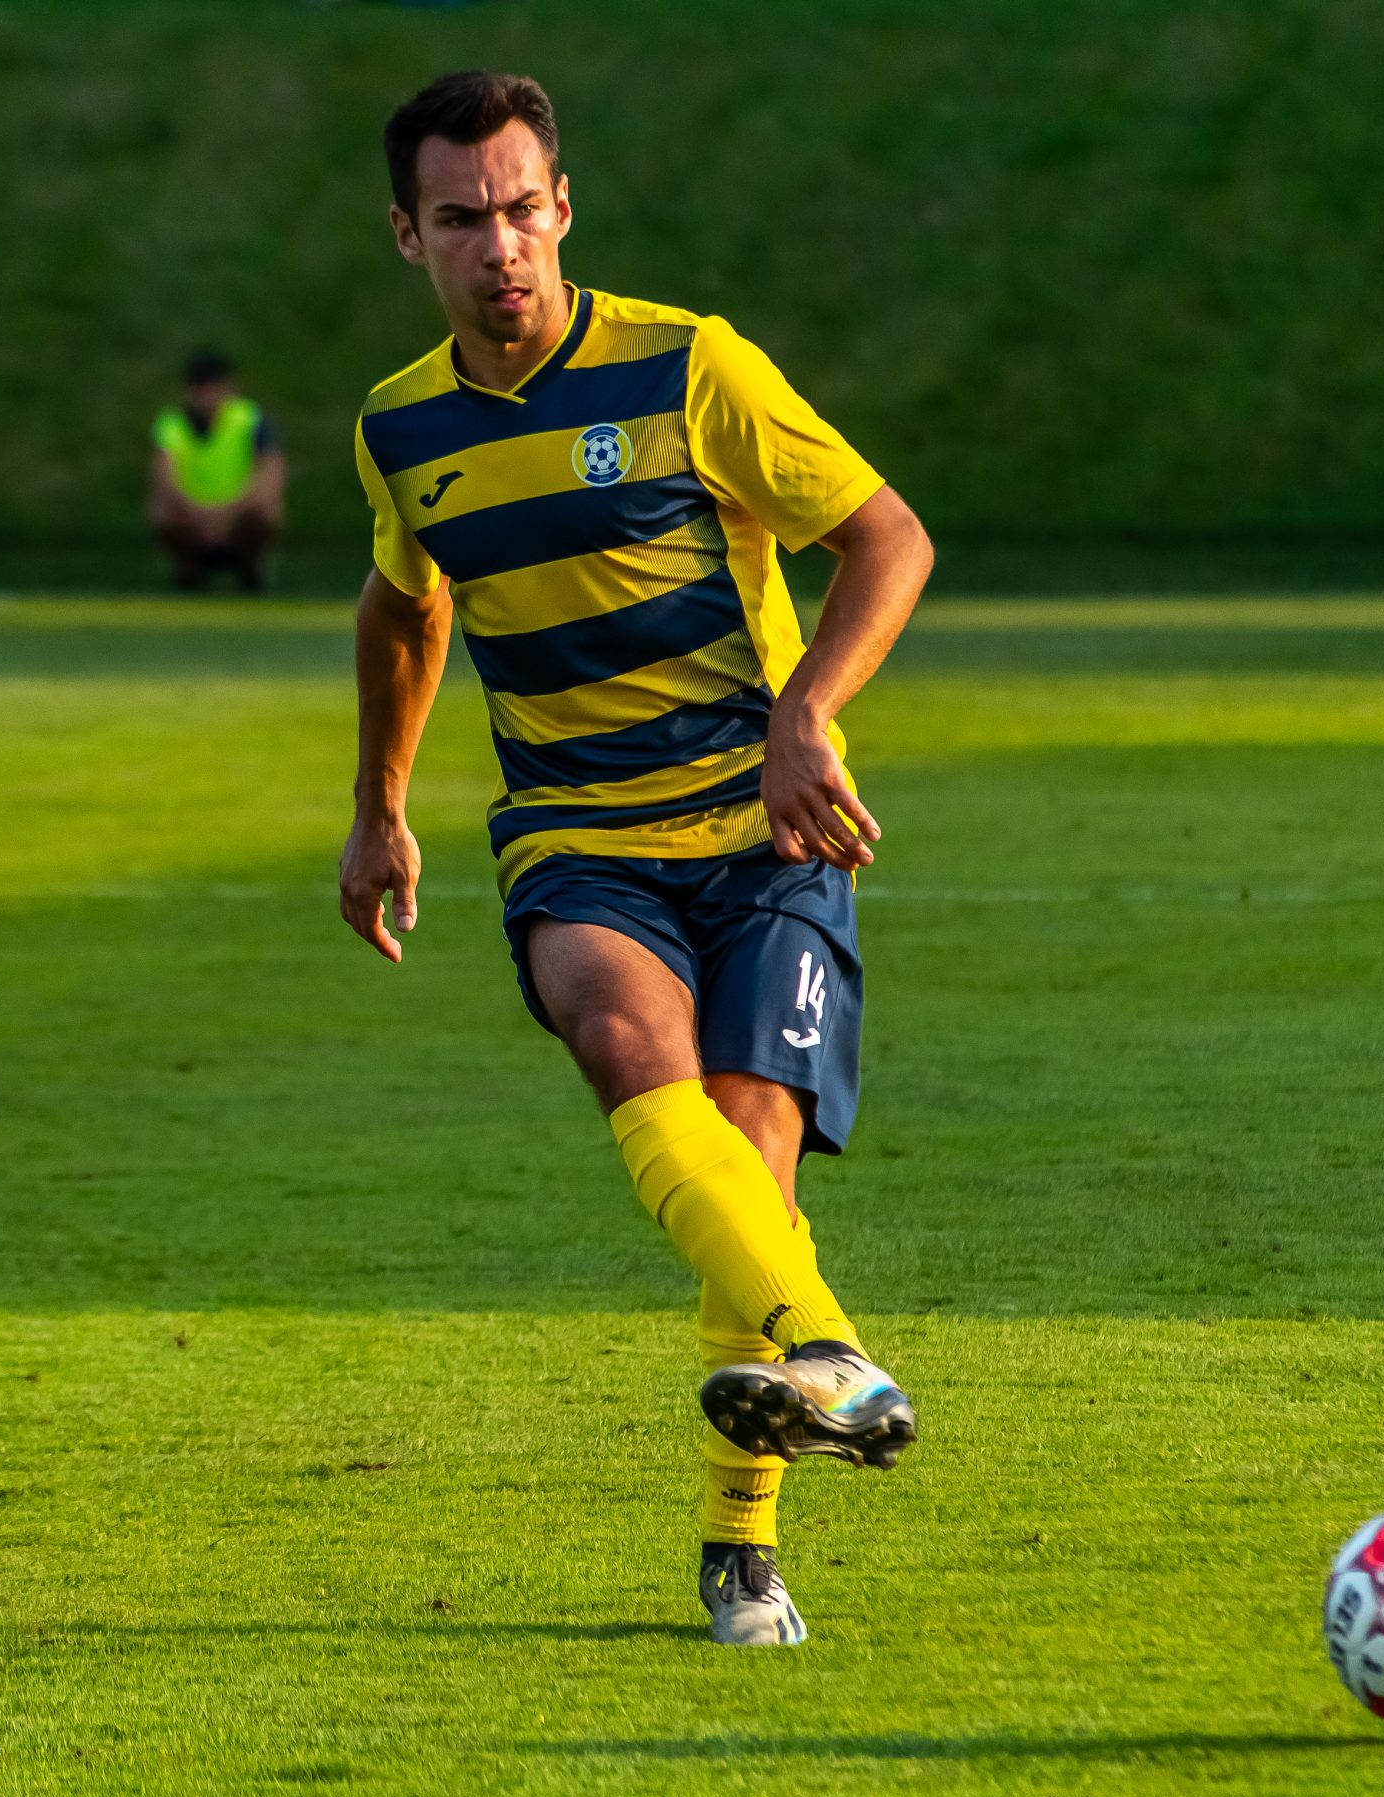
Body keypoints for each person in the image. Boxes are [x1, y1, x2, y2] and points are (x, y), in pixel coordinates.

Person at [336, 70, 936, 1647]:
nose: (499, 247)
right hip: (577, 836)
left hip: (764, 831)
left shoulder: (689, 365)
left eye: (520, 209)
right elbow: (404, 605)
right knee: (619, 1032)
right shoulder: (400, 430)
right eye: (460, 219)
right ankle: (830, 1346)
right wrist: (380, 802)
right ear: (408, 236)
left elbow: (890, 535)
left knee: (750, 1153)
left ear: (563, 208)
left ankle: (741, 1543)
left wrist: (807, 711)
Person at [148, 350, 286, 592]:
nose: (207, 395)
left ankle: (251, 569)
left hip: (237, 517)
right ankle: (189, 573)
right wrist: (198, 514)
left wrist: (226, 513)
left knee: (267, 511)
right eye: (200, 386)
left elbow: (271, 474)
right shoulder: (172, 423)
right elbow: (165, 478)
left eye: (213, 386)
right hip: (191, 517)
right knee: (161, 512)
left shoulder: (250, 418)